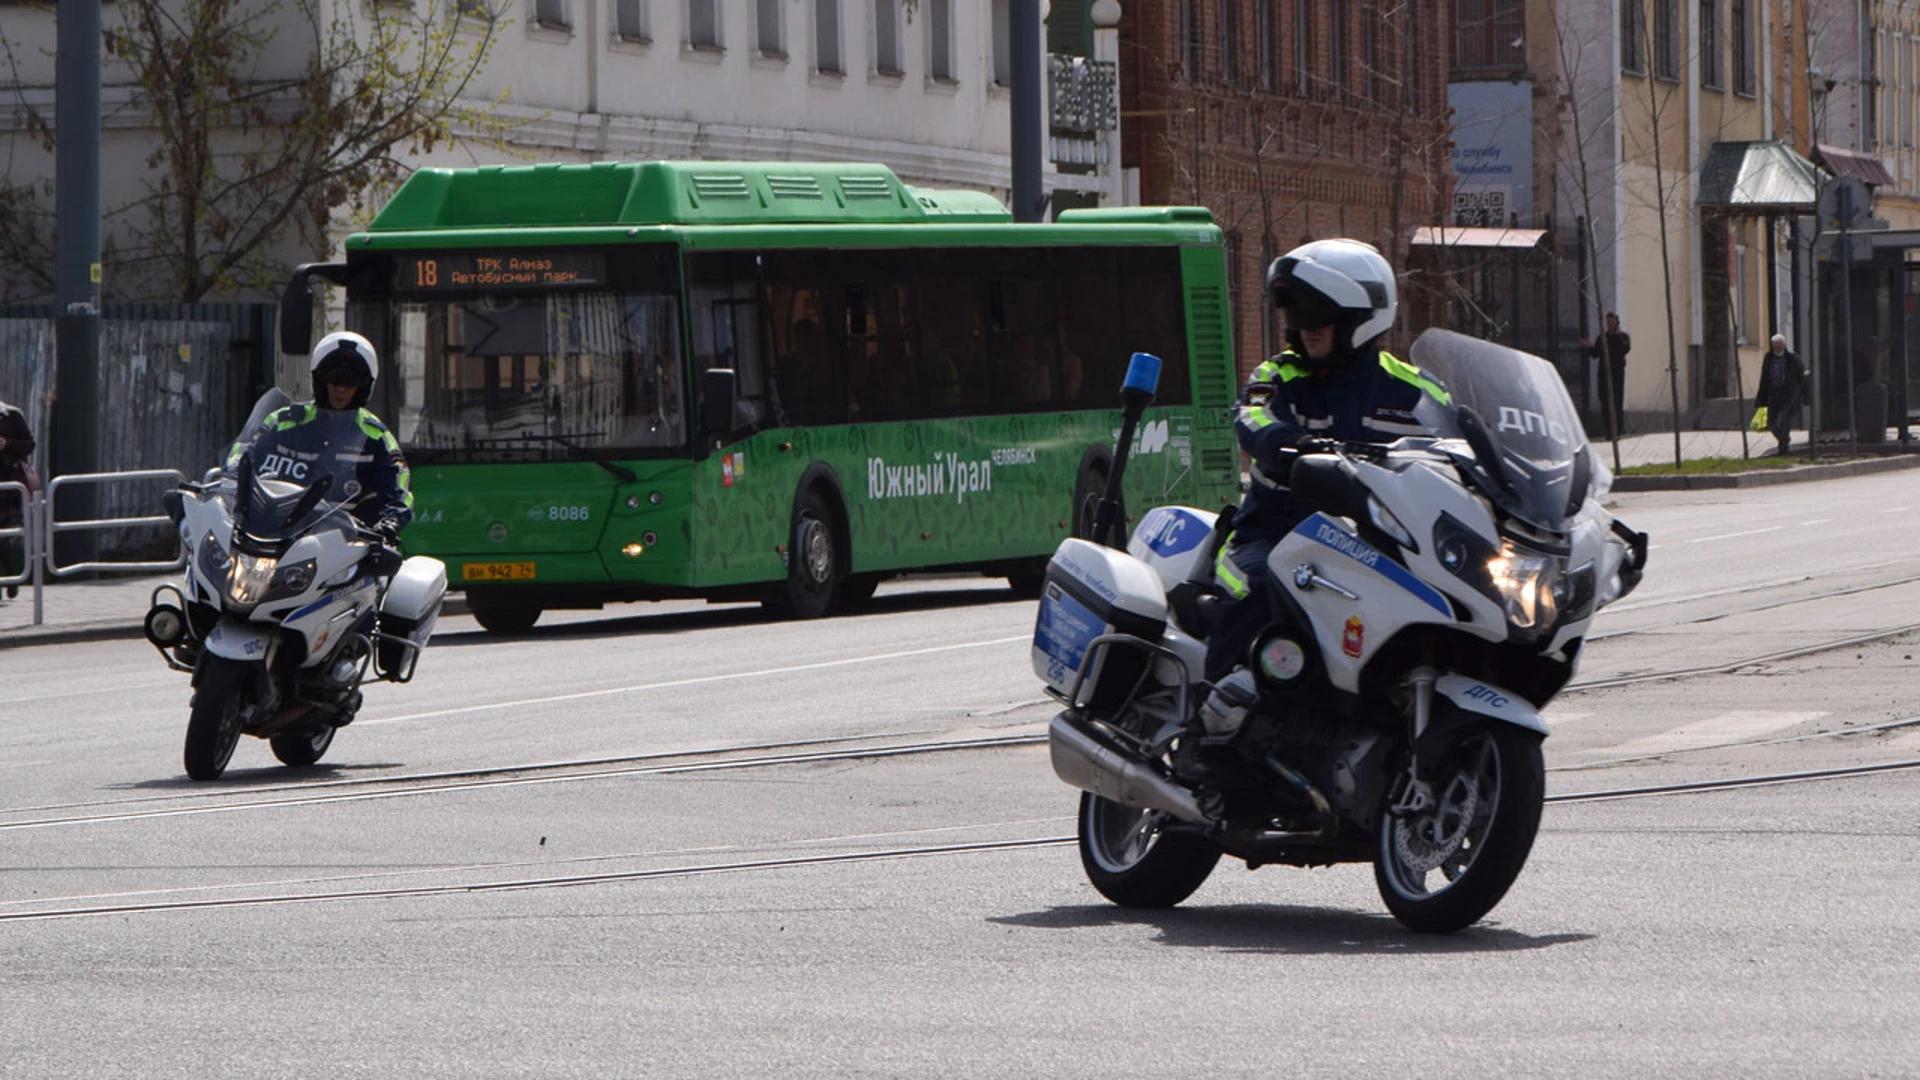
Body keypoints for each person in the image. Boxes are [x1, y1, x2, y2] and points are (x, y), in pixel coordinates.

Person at [1190, 239, 1448, 750]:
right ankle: (1207, 733)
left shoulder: (1414, 389)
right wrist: (1285, 443)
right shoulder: (1280, 375)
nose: (1305, 325)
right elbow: (1252, 416)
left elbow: (1460, 436)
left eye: (1321, 313)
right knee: (1259, 588)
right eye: (1296, 311)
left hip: (1373, 547)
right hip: (1271, 537)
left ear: (1362, 317)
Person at [228, 331, 413, 542]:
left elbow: (399, 490)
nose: (341, 389)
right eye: (334, 380)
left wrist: (390, 522)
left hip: (346, 550)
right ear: (319, 379)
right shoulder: (283, 422)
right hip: (274, 541)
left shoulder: (376, 436)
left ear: (364, 386)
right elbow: (241, 457)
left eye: (350, 382)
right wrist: (226, 484)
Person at [0, 396, 36, 599]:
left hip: (7, 487)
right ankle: (10, 576)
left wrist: (7, 444)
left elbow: (29, 444)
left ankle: (11, 575)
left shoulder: (12, 415)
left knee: (2, 535)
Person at [1752, 333, 1805, 456]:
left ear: (1783, 345)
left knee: (1784, 420)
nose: (1777, 347)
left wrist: (1798, 391)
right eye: (1775, 345)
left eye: (1779, 345)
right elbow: (1764, 376)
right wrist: (1761, 395)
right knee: (1771, 422)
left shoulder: (1792, 358)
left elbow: (1801, 376)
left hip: (1788, 394)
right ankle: (1783, 439)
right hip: (1773, 392)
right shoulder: (1769, 358)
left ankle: (1783, 449)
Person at [1581, 311, 1631, 439]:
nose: (1610, 325)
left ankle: (1617, 432)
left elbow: (1625, 349)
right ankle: (1609, 431)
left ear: (1617, 322)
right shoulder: (1602, 338)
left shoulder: (1623, 337)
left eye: (1613, 322)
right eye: (1608, 322)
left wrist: (1618, 334)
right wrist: (1588, 347)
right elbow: (1595, 354)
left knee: (1616, 403)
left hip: (1617, 376)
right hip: (1604, 375)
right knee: (1605, 402)